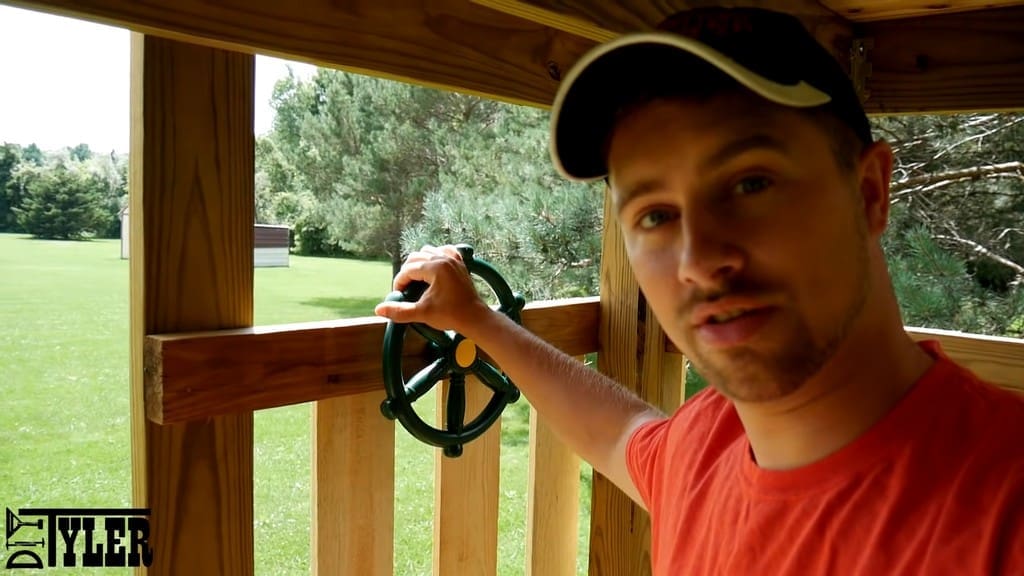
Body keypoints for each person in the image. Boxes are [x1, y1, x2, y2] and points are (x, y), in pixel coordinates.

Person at [375, 7, 1024, 575]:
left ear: (869, 193)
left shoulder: (1002, 509)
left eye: (750, 184)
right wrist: (481, 321)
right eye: (655, 215)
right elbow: (618, 431)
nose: (698, 260)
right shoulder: (705, 446)